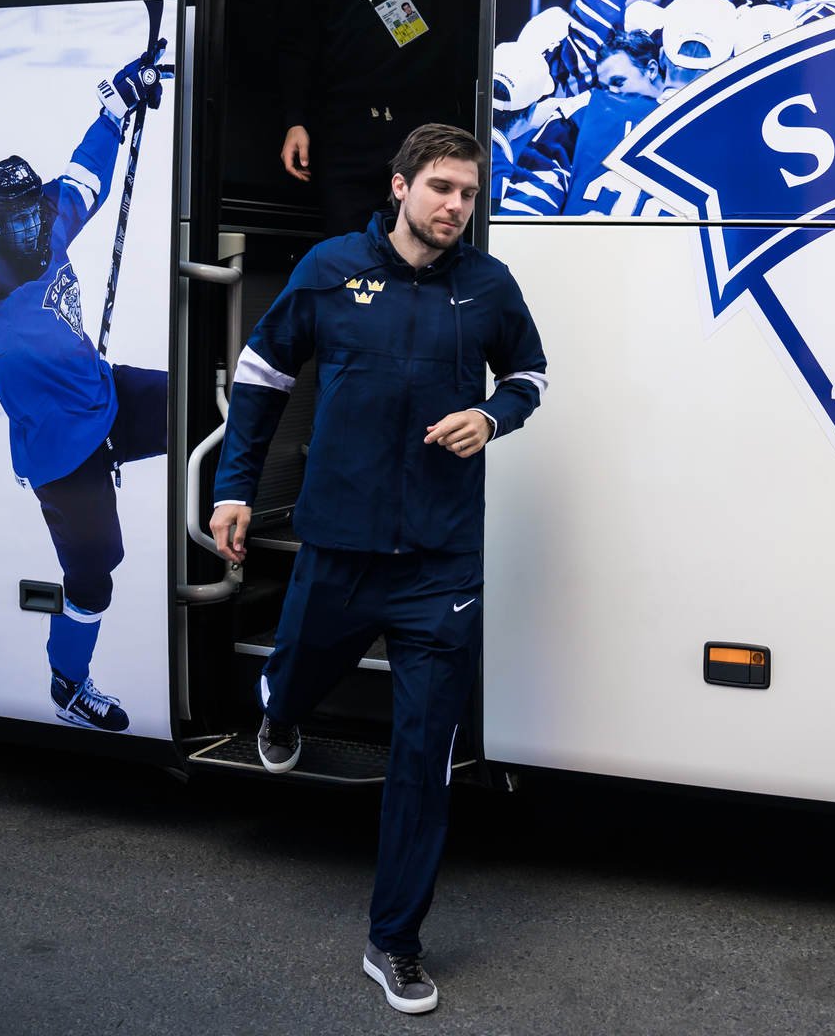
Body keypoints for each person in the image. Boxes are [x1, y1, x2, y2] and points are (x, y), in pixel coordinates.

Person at [208, 123, 547, 1014]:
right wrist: (235, 487)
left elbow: (531, 376)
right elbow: (261, 374)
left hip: (441, 561)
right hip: (341, 544)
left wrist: (494, 416)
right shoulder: (330, 269)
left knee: (423, 756)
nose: (456, 207)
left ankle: (394, 941)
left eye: (468, 194)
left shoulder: (488, 285)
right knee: (296, 673)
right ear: (400, 187)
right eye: (441, 188)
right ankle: (280, 710)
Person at [0, 42, 174, 732]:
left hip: (106, 398)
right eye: (17, 217)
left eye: (35, 209)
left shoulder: (51, 220)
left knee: (206, 408)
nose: (32, 222)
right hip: (60, 452)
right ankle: (69, 682)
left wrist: (116, 108)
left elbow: (84, 176)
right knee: (95, 576)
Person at [275, 0, 472, 236]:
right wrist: (295, 121)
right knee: (349, 241)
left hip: (421, 133)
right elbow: (298, 46)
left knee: (421, 238)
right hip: (347, 135)